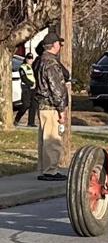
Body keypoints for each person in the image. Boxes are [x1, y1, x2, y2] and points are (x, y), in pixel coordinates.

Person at [33, 32, 68, 181]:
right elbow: (56, 88)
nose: (60, 46)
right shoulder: (51, 63)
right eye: (59, 43)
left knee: (44, 138)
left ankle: (44, 168)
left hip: (42, 105)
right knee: (52, 138)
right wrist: (62, 109)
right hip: (51, 106)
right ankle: (51, 170)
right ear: (54, 45)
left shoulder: (40, 61)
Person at [14, 53, 36, 127]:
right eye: (29, 58)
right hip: (26, 87)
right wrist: (31, 83)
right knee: (26, 105)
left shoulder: (33, 67)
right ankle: (16, 119)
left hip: (33, 88)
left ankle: (31, 123)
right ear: (26, 59)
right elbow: (24, 78)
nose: (30, 60)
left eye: (31, 58)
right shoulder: (22, 67)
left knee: (33, 105)